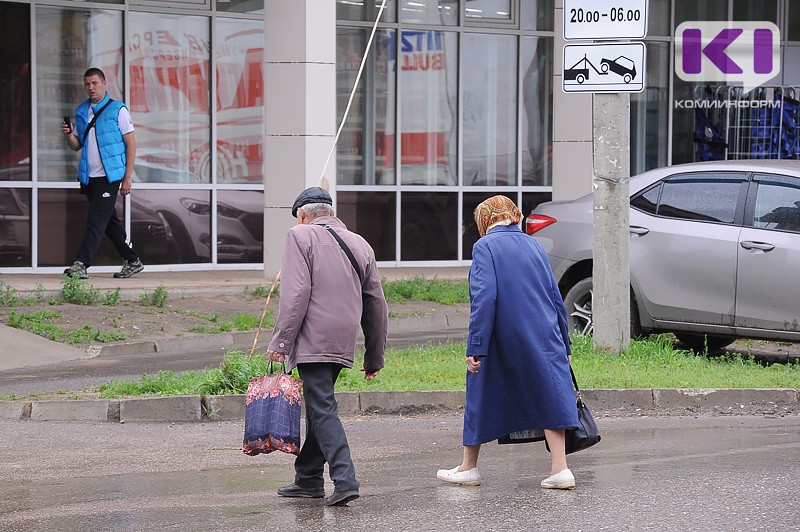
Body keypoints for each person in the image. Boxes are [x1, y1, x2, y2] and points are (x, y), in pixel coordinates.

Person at [436, 195, 580, 490]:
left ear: (485, 220)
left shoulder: (485, 246)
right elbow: (555, 297)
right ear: (514, 216)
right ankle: (560, 469)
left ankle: (468, 468)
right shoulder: (534, 244)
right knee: (548, 392)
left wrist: (476, 345)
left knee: (480, 392)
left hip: (504, 335)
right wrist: (564, 344)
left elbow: (484, 298)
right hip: (545, 334)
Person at [267, 186, 388, 507]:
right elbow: (376, 302)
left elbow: (296, 293)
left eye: (298, 219)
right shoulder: (359, 243)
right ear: (331, 213)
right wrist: (375, 355)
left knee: (322, 408)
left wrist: (280, 341)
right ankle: (307, 478)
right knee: (318, 405)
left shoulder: (299, 236)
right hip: (343, 338)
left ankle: (345, 478)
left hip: (313, 337)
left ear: (304, 215)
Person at [61, 67, 143, 280]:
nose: (91, 87)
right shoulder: (81, 111)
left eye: (95, 83)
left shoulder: (118, 110)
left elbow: (131, 144)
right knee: (109, 222)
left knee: (96, 221)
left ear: (104, 84)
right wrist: (69, 134)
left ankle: (81, 264)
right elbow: (76, 145)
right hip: (90, 177)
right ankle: (132, 260)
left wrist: (128, 176)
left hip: (110, 177)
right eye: (87, 84)